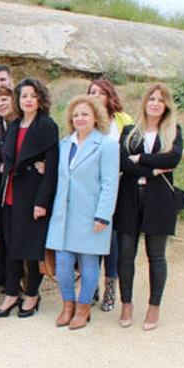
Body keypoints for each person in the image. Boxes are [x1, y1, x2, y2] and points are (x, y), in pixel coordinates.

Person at [46, 96, 120, 329]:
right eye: (76, 115)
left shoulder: (107, 145)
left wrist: (103, 215)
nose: (80, 118)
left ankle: (83, 308)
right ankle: (68, 304)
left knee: (89, 263)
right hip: (64, 216)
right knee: (63, 264)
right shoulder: (64, 144)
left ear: (96, 117)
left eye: (85, 114)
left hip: (91, 216)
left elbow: (110, 183)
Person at [115, 83, 182, 331]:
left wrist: (140, 158)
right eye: (151, 99)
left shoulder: (173, 131)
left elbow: (173, 158)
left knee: (156, 255)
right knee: (125, 254)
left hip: (159, 200)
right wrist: (153, 169)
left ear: (166, 106)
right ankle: (126, 303)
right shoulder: (130, 131)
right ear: (145, 103)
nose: (155, 103)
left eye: (160, 100)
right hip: (129, 197)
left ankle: (154, 306)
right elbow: (121, 161)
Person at [0, 78, 59, 319]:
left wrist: (42, 201)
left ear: (40, 99)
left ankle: (32, 293)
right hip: (10, 194)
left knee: (31, 248)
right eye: (23, 96)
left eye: (32, 95)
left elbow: (51, 169)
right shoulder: (14, 125)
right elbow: (9, 160)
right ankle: (11, 293)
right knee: (11, 247)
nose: (28, 100)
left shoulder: (47, 126)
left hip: (33, 196)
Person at [88, 78, 134, 312]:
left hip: (119, 187)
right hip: (91, 188)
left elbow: (130, 152)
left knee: (112, 240)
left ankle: (110, 289)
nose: (95, 95)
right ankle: (91, 285)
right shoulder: (87, 119)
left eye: (100, 92)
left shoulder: (123, 120)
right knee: (92, 237)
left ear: (109, 95)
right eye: (91, 92)